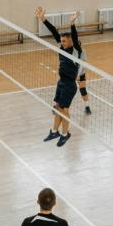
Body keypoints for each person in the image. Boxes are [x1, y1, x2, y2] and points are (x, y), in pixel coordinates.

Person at [37, 8, 82, 146]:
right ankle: (54, 131)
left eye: (64, 41)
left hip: (69, 85)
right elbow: (54, 32)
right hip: (61, 82)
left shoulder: (75, 51)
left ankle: (65, 133)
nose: (61, 43)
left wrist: (72, 23)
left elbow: (74, 36)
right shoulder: (61, 48)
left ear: (70, 42)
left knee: (64, 110)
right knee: (57, 107)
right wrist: (43, 19)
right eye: (61, 41)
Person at [77, 48, 91, 115]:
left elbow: (81, 65)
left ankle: (87, 107)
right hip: (70, 73)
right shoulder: (69, 50)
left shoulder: (83, 52)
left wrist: (77, 75)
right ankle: (58, 105)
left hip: (81, 74)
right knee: (64, 88)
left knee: (83, 89)